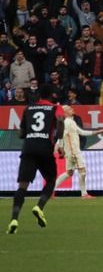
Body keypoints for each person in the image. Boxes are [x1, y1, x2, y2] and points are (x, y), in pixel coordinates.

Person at [7, 85, 64, 234]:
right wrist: (59, 140)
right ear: (52, 95)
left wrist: (28, 133)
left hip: (29, 148)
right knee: (51, 180)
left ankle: (14, 219)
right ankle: (39, 206)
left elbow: (21, 134)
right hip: (45, 148)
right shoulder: (55, 108)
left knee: (22, 187)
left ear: (38, 96)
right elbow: (60, 120)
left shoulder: (29, 108)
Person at [53, 106, 103, 199]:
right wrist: (59, 147)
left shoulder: (71, 122)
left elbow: (82, 132)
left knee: (69, 173)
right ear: (65, 112)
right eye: (70, 109)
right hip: (74, 151)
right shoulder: (67, 123)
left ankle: (50, 191)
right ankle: (84, 194)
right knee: (82, 171)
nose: (72, 109)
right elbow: (61, 136)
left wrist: (98, 132)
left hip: (71, 151)